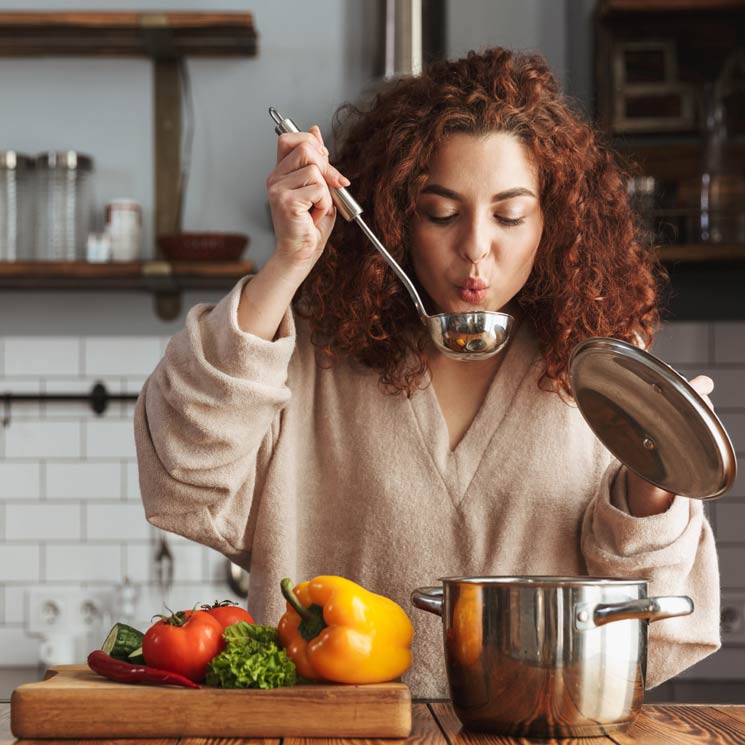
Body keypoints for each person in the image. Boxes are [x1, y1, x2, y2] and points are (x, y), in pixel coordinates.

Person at [134, 47, 720, 698]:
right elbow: (183, 472)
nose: (475, 246)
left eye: (508, 214)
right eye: (441, 212)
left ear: (551, 222)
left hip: (536, 734)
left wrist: (654, 482)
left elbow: (654, 614)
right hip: (331, 737)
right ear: (394, 215)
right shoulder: (309, 359)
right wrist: (288, 263)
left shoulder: (606, 372)